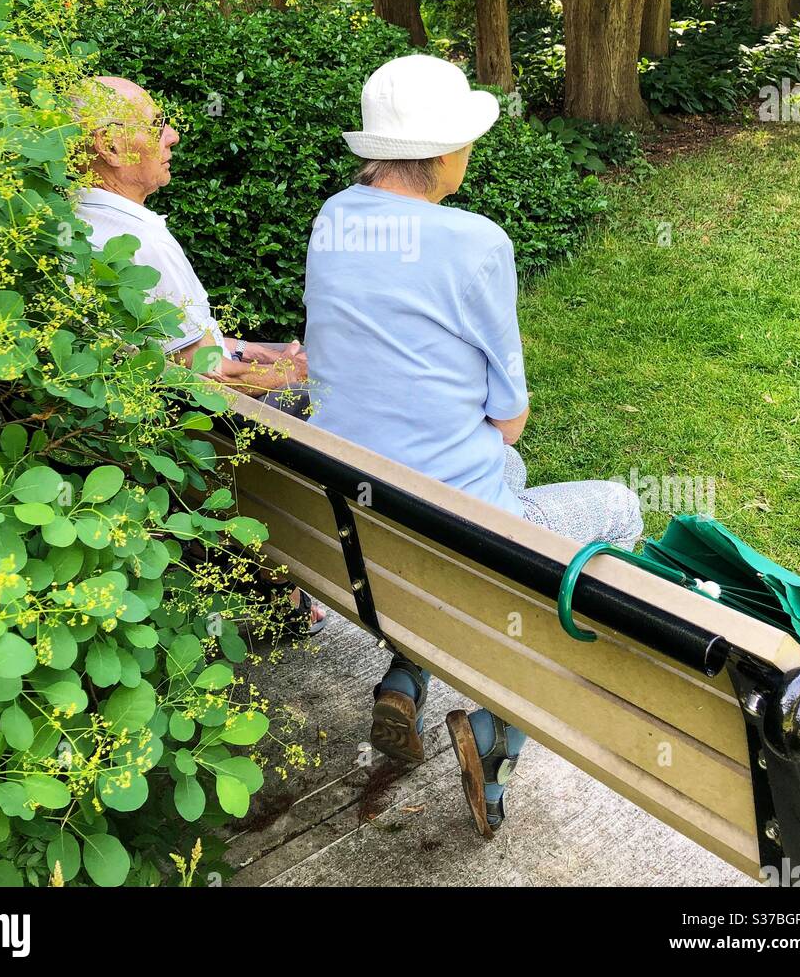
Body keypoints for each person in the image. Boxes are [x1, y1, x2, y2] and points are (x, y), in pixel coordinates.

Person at [303, 54, 642, 837]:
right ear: (444, 152)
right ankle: (496, 734)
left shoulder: (333, 216)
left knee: (499, 471)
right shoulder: (475, 241)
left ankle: (405, 673)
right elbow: (509, 416)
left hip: (352, 527)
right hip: (455, 536)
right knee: (619, 511)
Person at [72, 74, 324, 632]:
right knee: (332, 398)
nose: (173, 136)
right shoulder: (142, 241)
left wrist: (259, 348)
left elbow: (184, 344)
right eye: (157, 125)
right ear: (112, 149)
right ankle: (289, 578)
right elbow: (201, 373)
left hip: (142, 428)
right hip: (200, 437)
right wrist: (293, 371)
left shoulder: (77, 221)